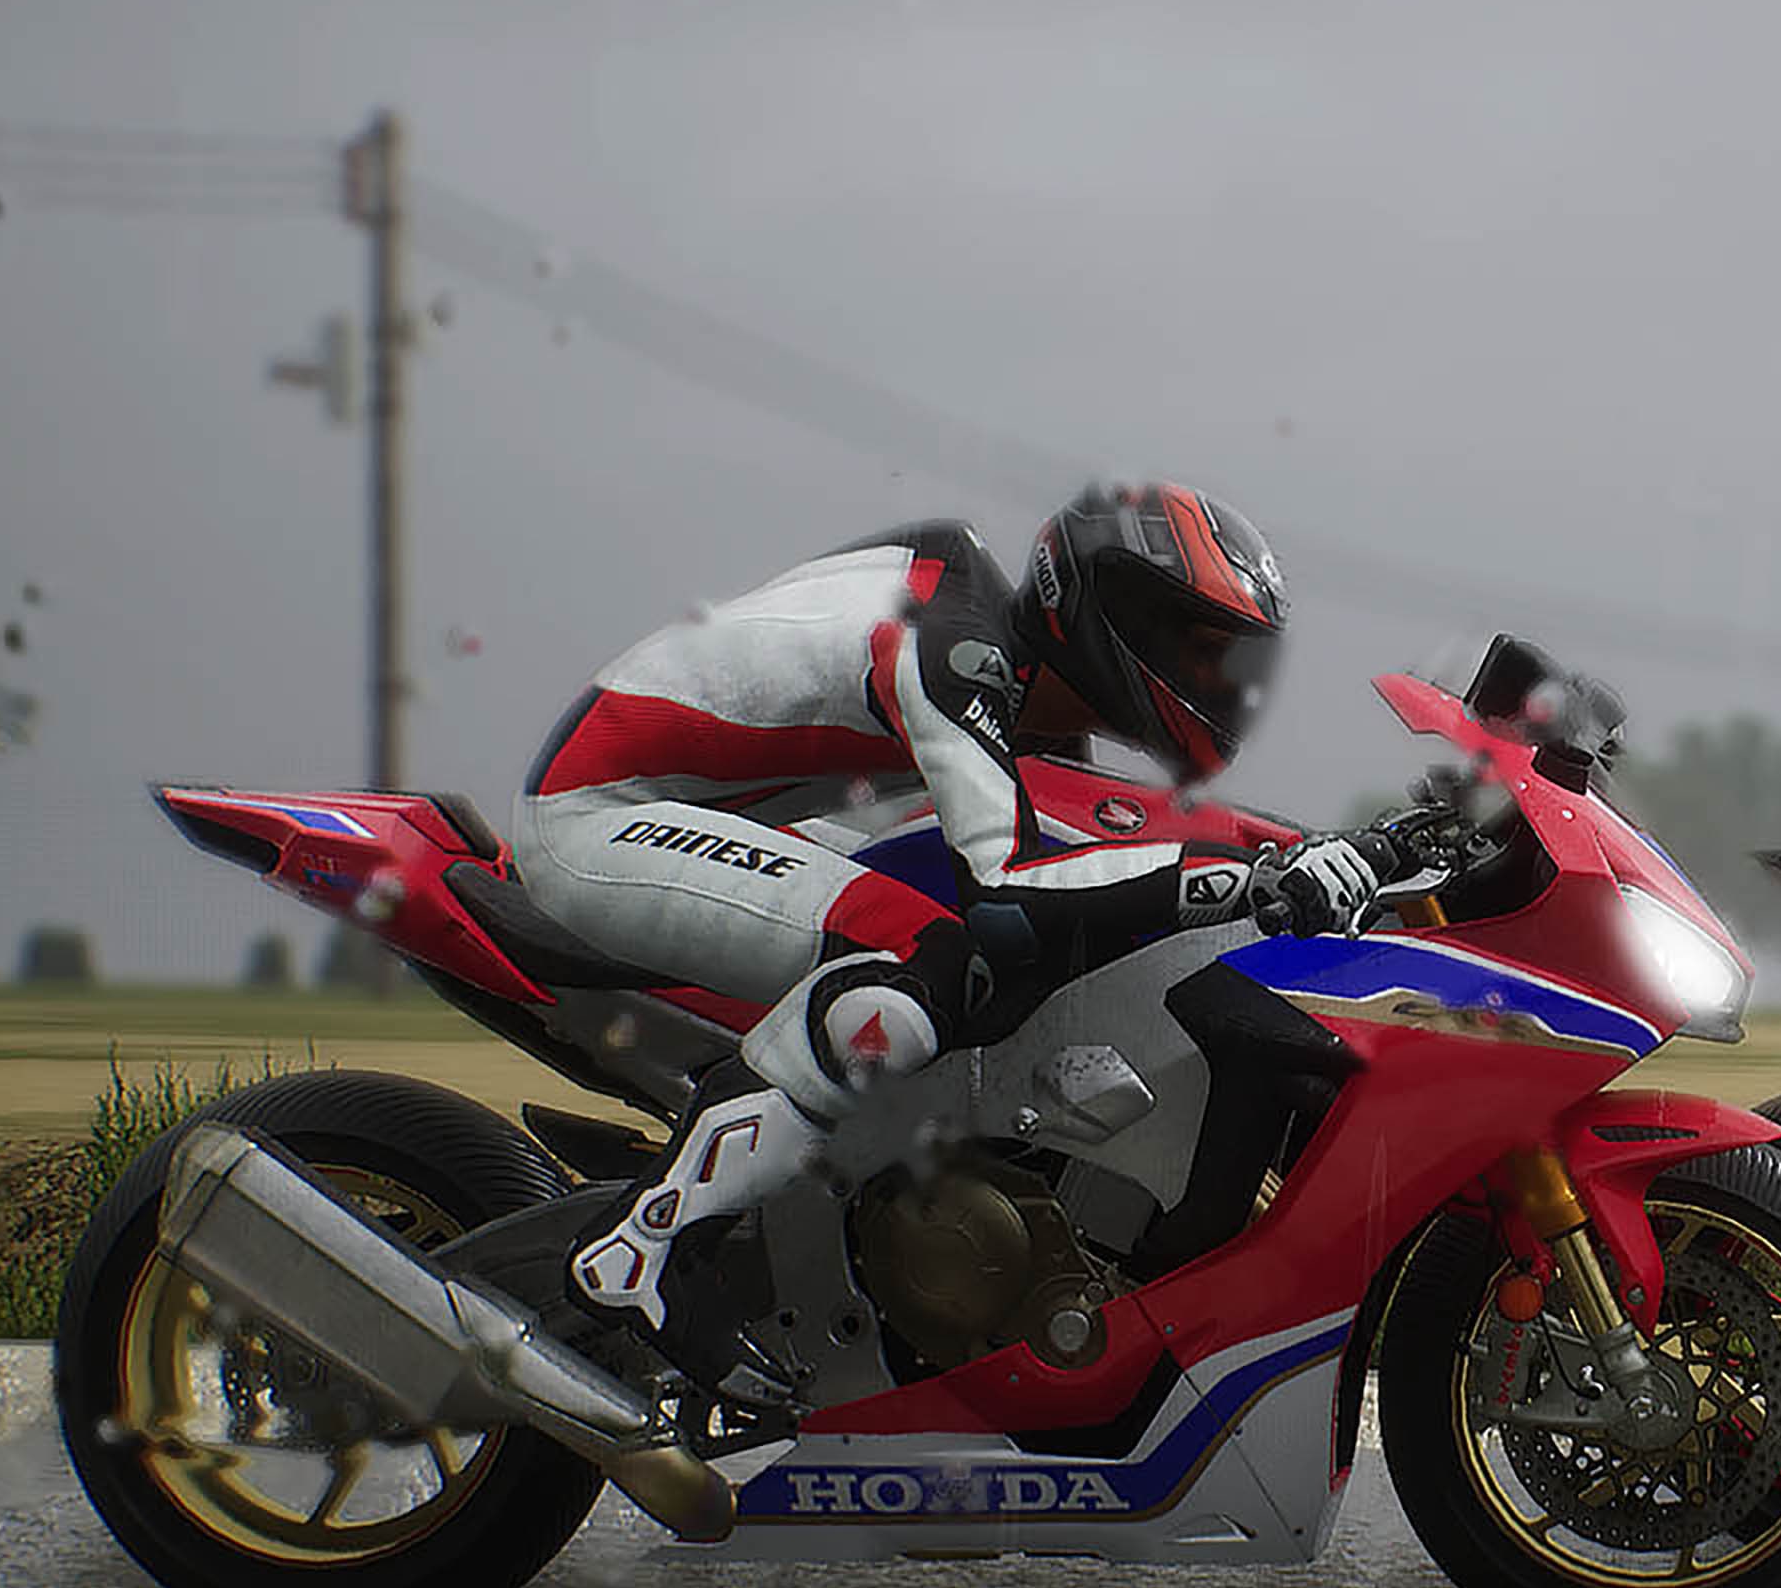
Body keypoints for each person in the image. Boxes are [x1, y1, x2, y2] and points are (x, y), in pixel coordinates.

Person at [511, 482, 1386, 1383]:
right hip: (596, 816)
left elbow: (1091, 858)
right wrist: (1253, 881)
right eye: (1200, 649)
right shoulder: (956, 652)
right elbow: (1009, 892)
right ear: (1117, 613)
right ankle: (647, 1247)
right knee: (929, 959)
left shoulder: (998, 661)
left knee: (983, 954)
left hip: (718, 810)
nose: (1219, 681)